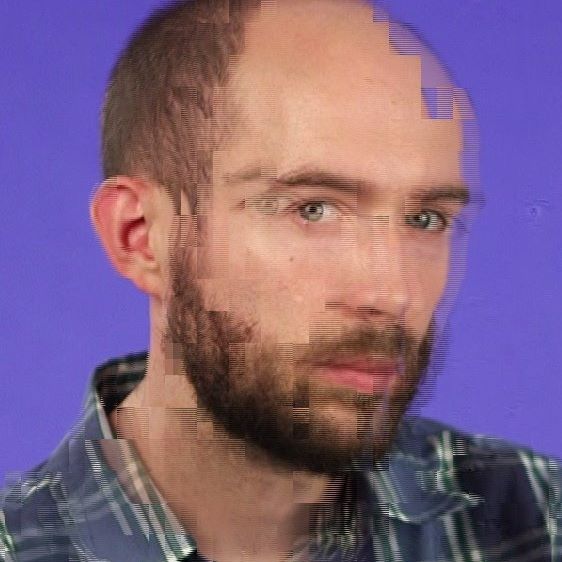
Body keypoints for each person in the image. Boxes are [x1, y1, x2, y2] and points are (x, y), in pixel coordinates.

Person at [1, 0, 560, 561]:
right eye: (313, 209)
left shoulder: (542, 518)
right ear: (141, 236)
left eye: (426, 219)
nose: (392, 295)